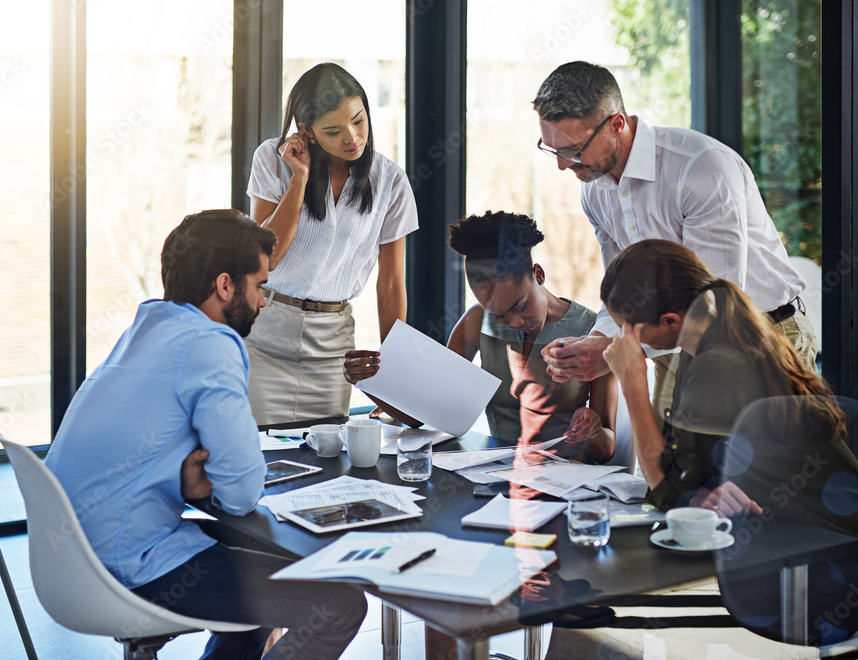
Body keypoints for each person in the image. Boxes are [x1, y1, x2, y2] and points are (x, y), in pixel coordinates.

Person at [44, 210, 367, 660]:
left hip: (69, 562)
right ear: (224, 285)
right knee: (340, 604)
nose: (263, 302)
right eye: (259, 285)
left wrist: (192, 486)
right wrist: (208, 485)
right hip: (131, 567)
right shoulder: (212, 343)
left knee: (264, 584)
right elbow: (240, 494)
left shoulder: (146, 328)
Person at [531, 60, 815, 422]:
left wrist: (611, 352)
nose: (562, 166)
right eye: (552, 149)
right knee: (666, 472)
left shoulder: (700, 168)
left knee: (762, 475)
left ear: (617, 123)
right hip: (670, 347)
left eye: (573, 150)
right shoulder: (595, 190)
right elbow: (622, 295)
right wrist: (599, 339)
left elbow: (715, 303)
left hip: (760, 337)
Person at [345, 211, 616, 463]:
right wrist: (369, 382)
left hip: (567, 479)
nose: (515, 323)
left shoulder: (594, 332)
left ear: (538, 274)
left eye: (520, 307)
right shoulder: (476, 322)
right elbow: (426, 414)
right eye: (498, 316)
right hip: (493, 471)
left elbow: (605, 450)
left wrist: (592, 429)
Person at [599, 239, 844, 513]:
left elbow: (670, 494)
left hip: (807, 532)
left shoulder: (718, 364)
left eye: (626, 329)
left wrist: (633, 382)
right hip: (775, 521)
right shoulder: (702, 347)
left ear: (670, 321)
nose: (622, 339)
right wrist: (688, 491)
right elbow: (680, 475)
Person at [245, 62, 418, 425]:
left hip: (333, 344)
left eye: (358, 120)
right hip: (264, 339)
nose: (352, 138)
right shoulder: (272, 161)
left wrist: (394, 377)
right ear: (306, 131)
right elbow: (267, 257)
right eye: (334, 130)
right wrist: (299, 178)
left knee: (327, 462)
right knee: (263, 459)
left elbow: (391, 284)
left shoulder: (390, 181)